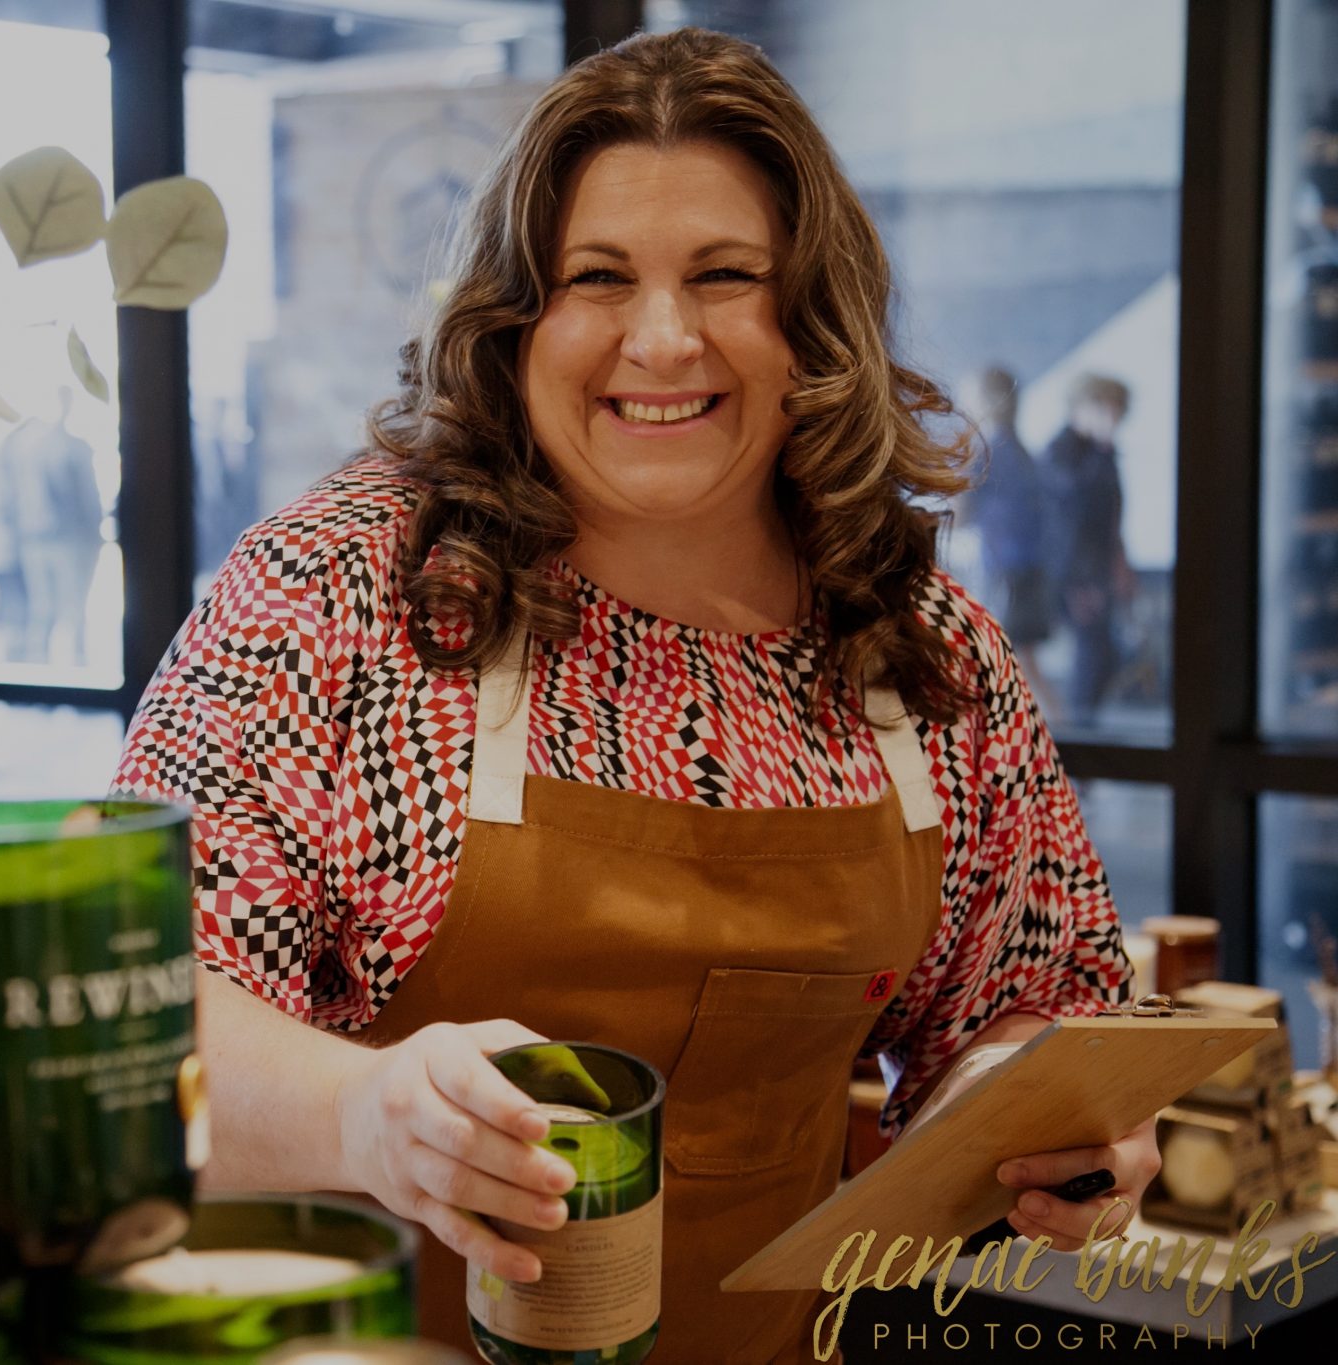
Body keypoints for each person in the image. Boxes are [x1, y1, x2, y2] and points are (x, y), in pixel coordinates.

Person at [114, 29, 1150, 1362]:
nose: (663, 340)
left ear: (811, 324)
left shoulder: (920, 653)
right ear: (513, 321)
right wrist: (363, 1113)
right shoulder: (337, 593)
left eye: (725, 277)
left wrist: (1047, 1117)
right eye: (596, 279)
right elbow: (140, 1014)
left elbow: (1020, 997)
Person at [1041, 374, 1135, 728]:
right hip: (1075, 574)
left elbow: (1110, 516)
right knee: (1093, 655)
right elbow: (1071, 516)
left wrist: (1121, 563)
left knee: (1106, 654)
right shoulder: (1061, 451)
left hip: (1097, 569)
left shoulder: (1100, 453)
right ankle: (1077, 736)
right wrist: (1079, 582)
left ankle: (1082, 731)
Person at [960, 366, 1055, 706]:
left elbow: (960, 510)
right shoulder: (1018, 448)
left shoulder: (989, 449)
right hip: (1023, 567)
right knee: (1020, 661)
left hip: (1003, 569)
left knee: (1004, 661)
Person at [0, 385, 104, 665]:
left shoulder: (23, 447)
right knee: (71, 608)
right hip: (66, 539)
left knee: (44, 609)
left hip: (36, 538)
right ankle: (75, 669)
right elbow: (88, 499)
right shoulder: (70, 447)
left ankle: (42, 669)